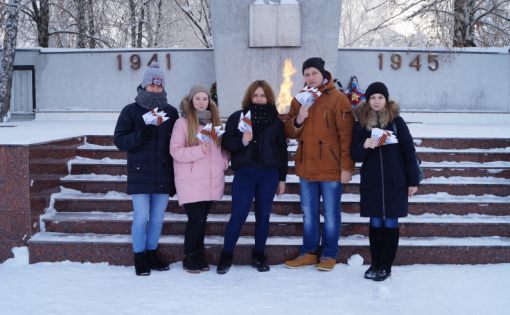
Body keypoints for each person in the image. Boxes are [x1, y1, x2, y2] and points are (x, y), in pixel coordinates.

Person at [284, 57, 354, 271]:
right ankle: (309, 252)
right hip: (306, 168)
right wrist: (299, 119)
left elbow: (347, 135)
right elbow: (289, 131)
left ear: (323, 74)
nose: (310, 77)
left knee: (331, 213)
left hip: (331, 169)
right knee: (309, 213)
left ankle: (329, 254)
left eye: (314, 73)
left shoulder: (337, 99)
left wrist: (346, 167)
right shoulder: (300, 99)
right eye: (306, 74)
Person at [350, 82, 420, 281]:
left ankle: (386, 266)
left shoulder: (397, 122)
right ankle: (375, 263)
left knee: (390, 223)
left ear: (386, 100)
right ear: (368, 100)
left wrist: (412, 181)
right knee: (375, 223)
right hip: (372, 184)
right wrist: (365, 145)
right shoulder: (361, 124)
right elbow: (354, 154)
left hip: (395, 182)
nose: (376, 101)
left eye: (380, 97)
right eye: (373, 98)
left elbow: (408, 152)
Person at [114, 62, 179, 276]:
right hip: (140, 173)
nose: (156, 89)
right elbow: (120, 140)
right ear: (144, 86)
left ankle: (152, 252)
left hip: (162, 174)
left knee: (158, 218)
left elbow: (177, 142)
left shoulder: (170, 111)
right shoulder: (131, 111)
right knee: (141, 217)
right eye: (152, 85)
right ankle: (139, 255)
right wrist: (141, 135)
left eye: (159, 86)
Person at [216, 80, 288, 274]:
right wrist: (241, 141)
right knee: (238, 215)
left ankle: (258, 255)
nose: (258, 98)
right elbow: (226, 143)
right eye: (255, 95)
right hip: (245, 173)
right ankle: (226, 256)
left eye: (262, 95)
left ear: (268, 97)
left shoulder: (275, 121)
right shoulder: (238, 117)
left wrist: (282, 178)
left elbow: (282, 151)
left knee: (263, 216)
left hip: (269, 174)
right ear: (250, 96)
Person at [170, 85, 229, 273]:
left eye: (205, 99)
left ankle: (199, 254)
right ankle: (190, 255)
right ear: (191, 101)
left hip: (211, 180)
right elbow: (176, 151)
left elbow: (223, 150)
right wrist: (198, 150)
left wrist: (223, 163)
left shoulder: (215, 123)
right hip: (191, 181)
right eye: (198, 98)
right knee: (195, 220)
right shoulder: (183, 123)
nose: (201, 102)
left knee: (202, 219)